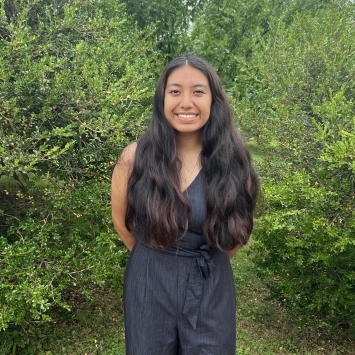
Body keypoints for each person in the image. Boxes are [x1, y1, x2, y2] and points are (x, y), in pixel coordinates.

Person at [111, 55, 259, 355]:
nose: (186, 102)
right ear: (162, 98)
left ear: (213, 99)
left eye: (198, 91)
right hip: (149, 283)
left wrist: (193, 263)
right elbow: (122, 223)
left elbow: (237, 234)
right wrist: (160, 259)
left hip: (210, 284)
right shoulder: (135, 158)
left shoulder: (234, 164)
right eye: (175, 91)